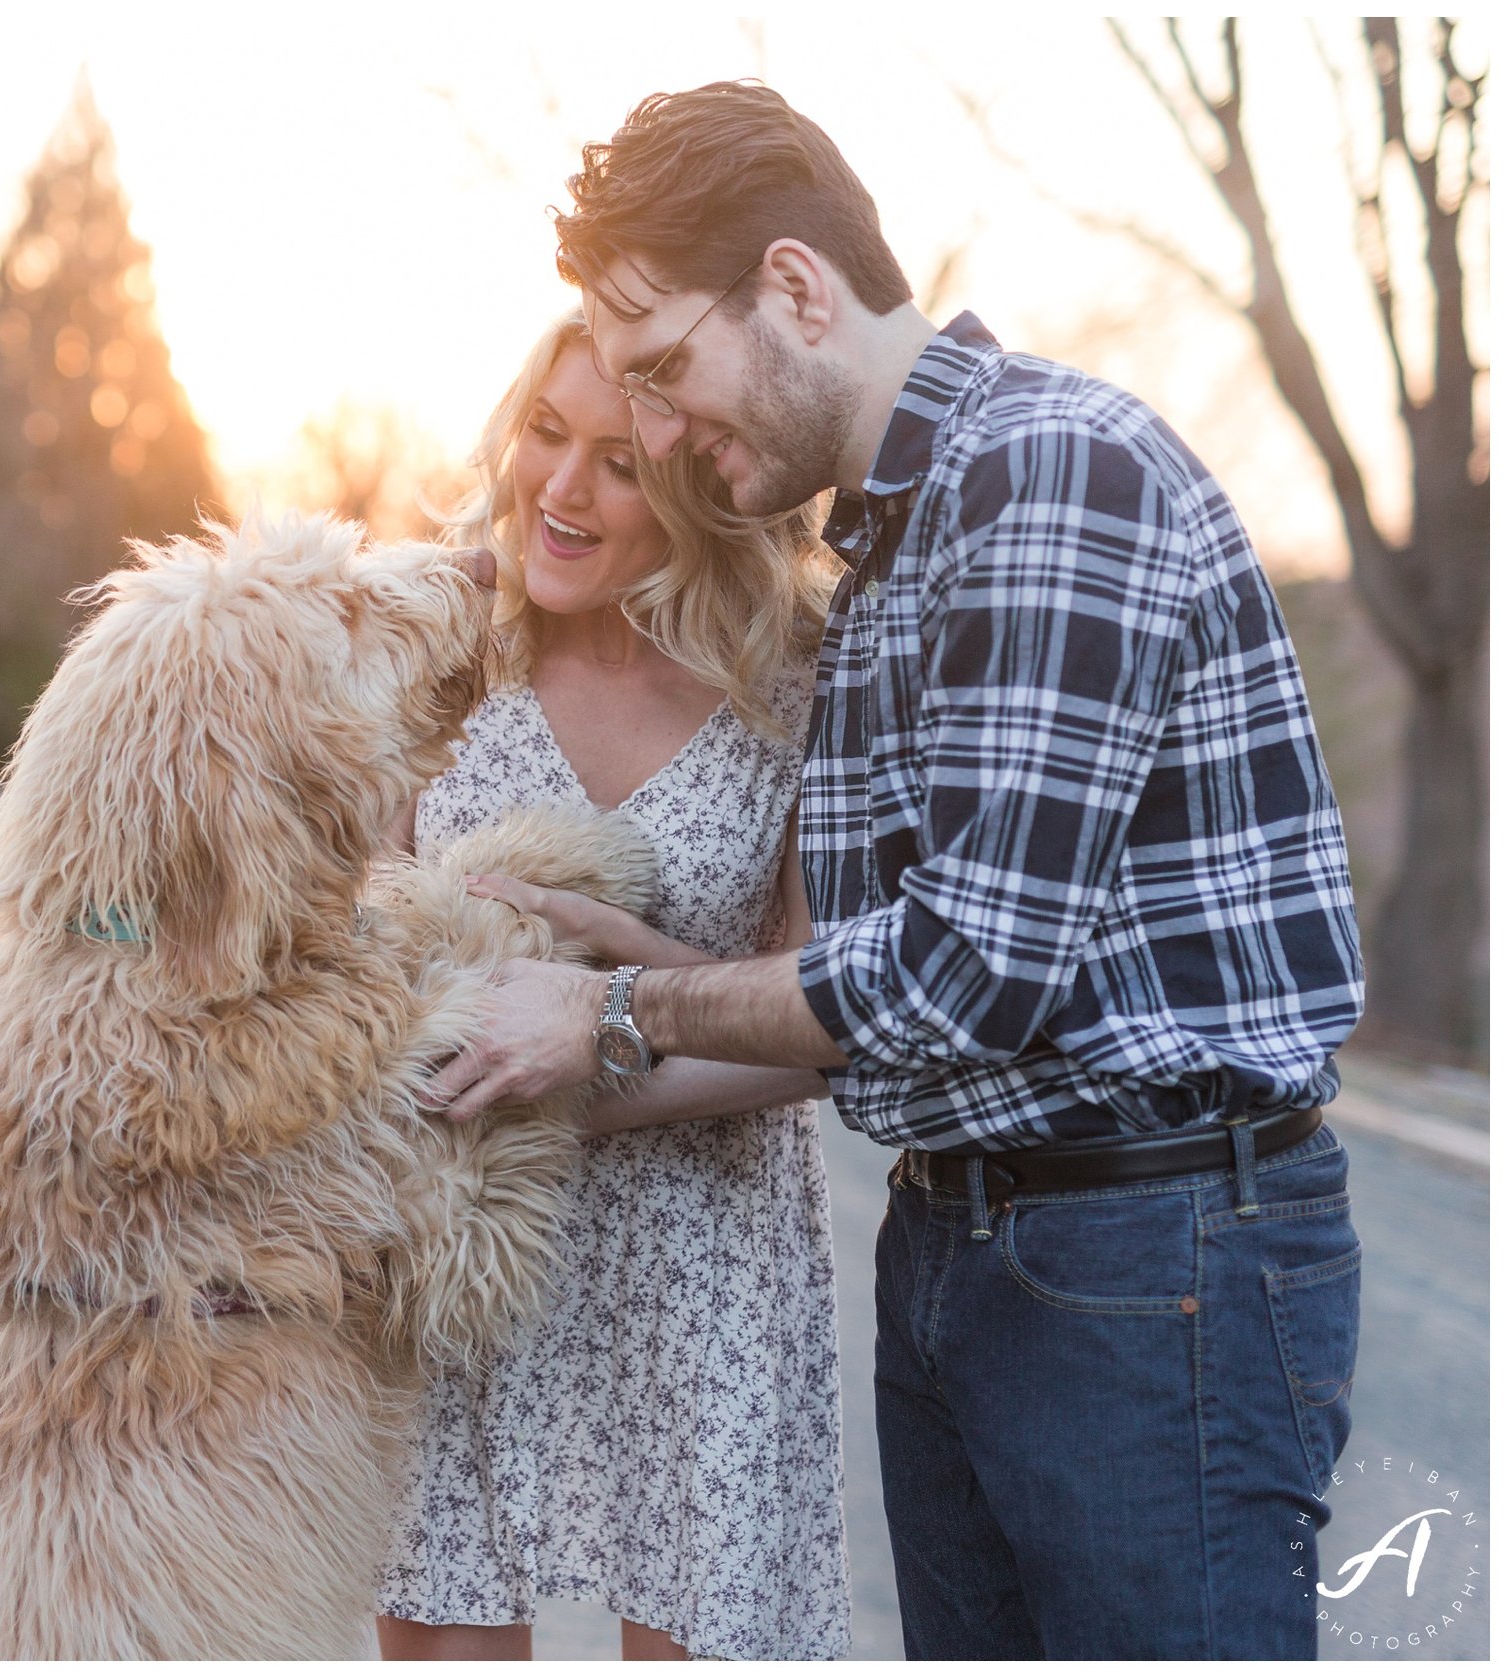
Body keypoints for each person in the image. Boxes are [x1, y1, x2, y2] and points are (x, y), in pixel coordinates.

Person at [426, 83, 1367, 1660]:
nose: (654, 436)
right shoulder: (889, 550)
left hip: (1153, 1257)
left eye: (663, 375)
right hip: (961, 1247)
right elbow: (850, 978)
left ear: (795, 288)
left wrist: (617, 1008)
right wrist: (615, 945)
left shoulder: (1052, 476)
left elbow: (965, 972)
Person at [373, 309, 851, 1662]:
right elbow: (348, 962)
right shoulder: (440, 652)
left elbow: (820, 1027)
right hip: (467, 1249)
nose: (563, 491)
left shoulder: (797, 685)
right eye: (545, 435)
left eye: (622, 462)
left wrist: (591, 1032)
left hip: (706, 1265)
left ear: (702, 481)